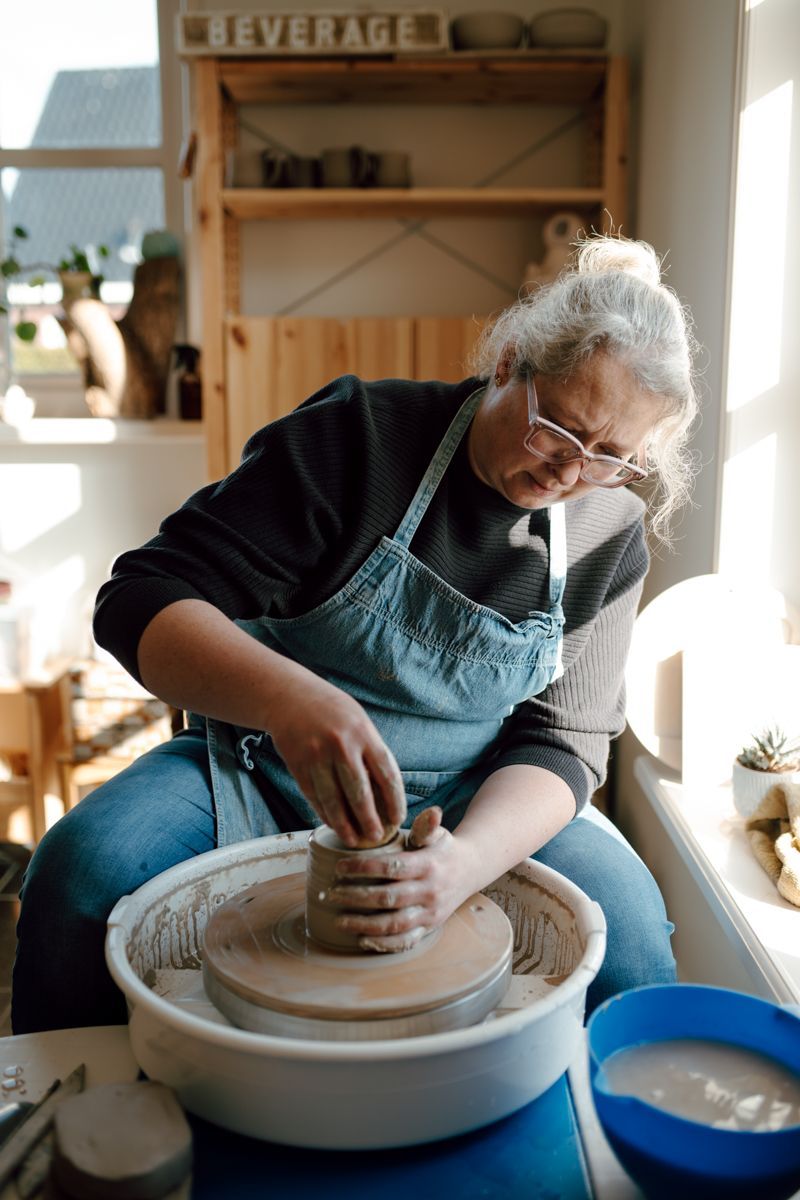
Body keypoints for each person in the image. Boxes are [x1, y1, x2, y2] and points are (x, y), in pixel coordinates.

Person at [12, 235, 699, 1032]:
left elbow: (565, 743)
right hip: (261, 770)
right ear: (509, 360)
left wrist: (468, 862)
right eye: (559, 431)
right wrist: (289, 700)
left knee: (633, 935)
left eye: (610, 457)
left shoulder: (609, 531)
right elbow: (138, 597)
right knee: (78, 872)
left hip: (473, 798)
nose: (569, 474)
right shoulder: (359, 439)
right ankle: (64, 1130)